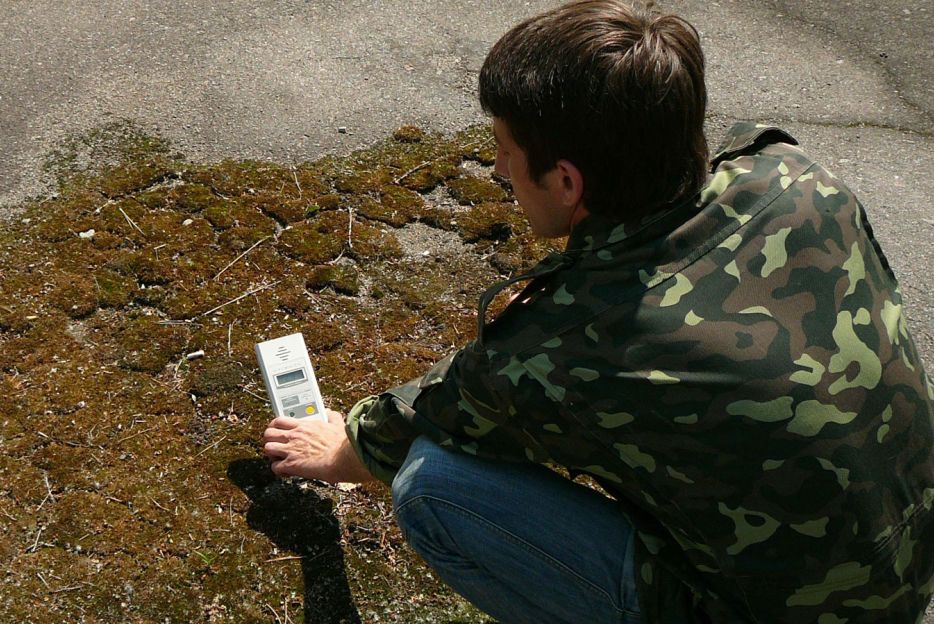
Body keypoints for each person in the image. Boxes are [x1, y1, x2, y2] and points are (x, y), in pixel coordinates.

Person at [262, 1, 934, 622]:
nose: (497, 167)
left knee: (432, 487)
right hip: (909, 563)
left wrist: (340, 447)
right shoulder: (793, 175)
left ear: (566, 181)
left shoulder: (573, 343)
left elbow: (423, 421)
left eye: (505, 150)